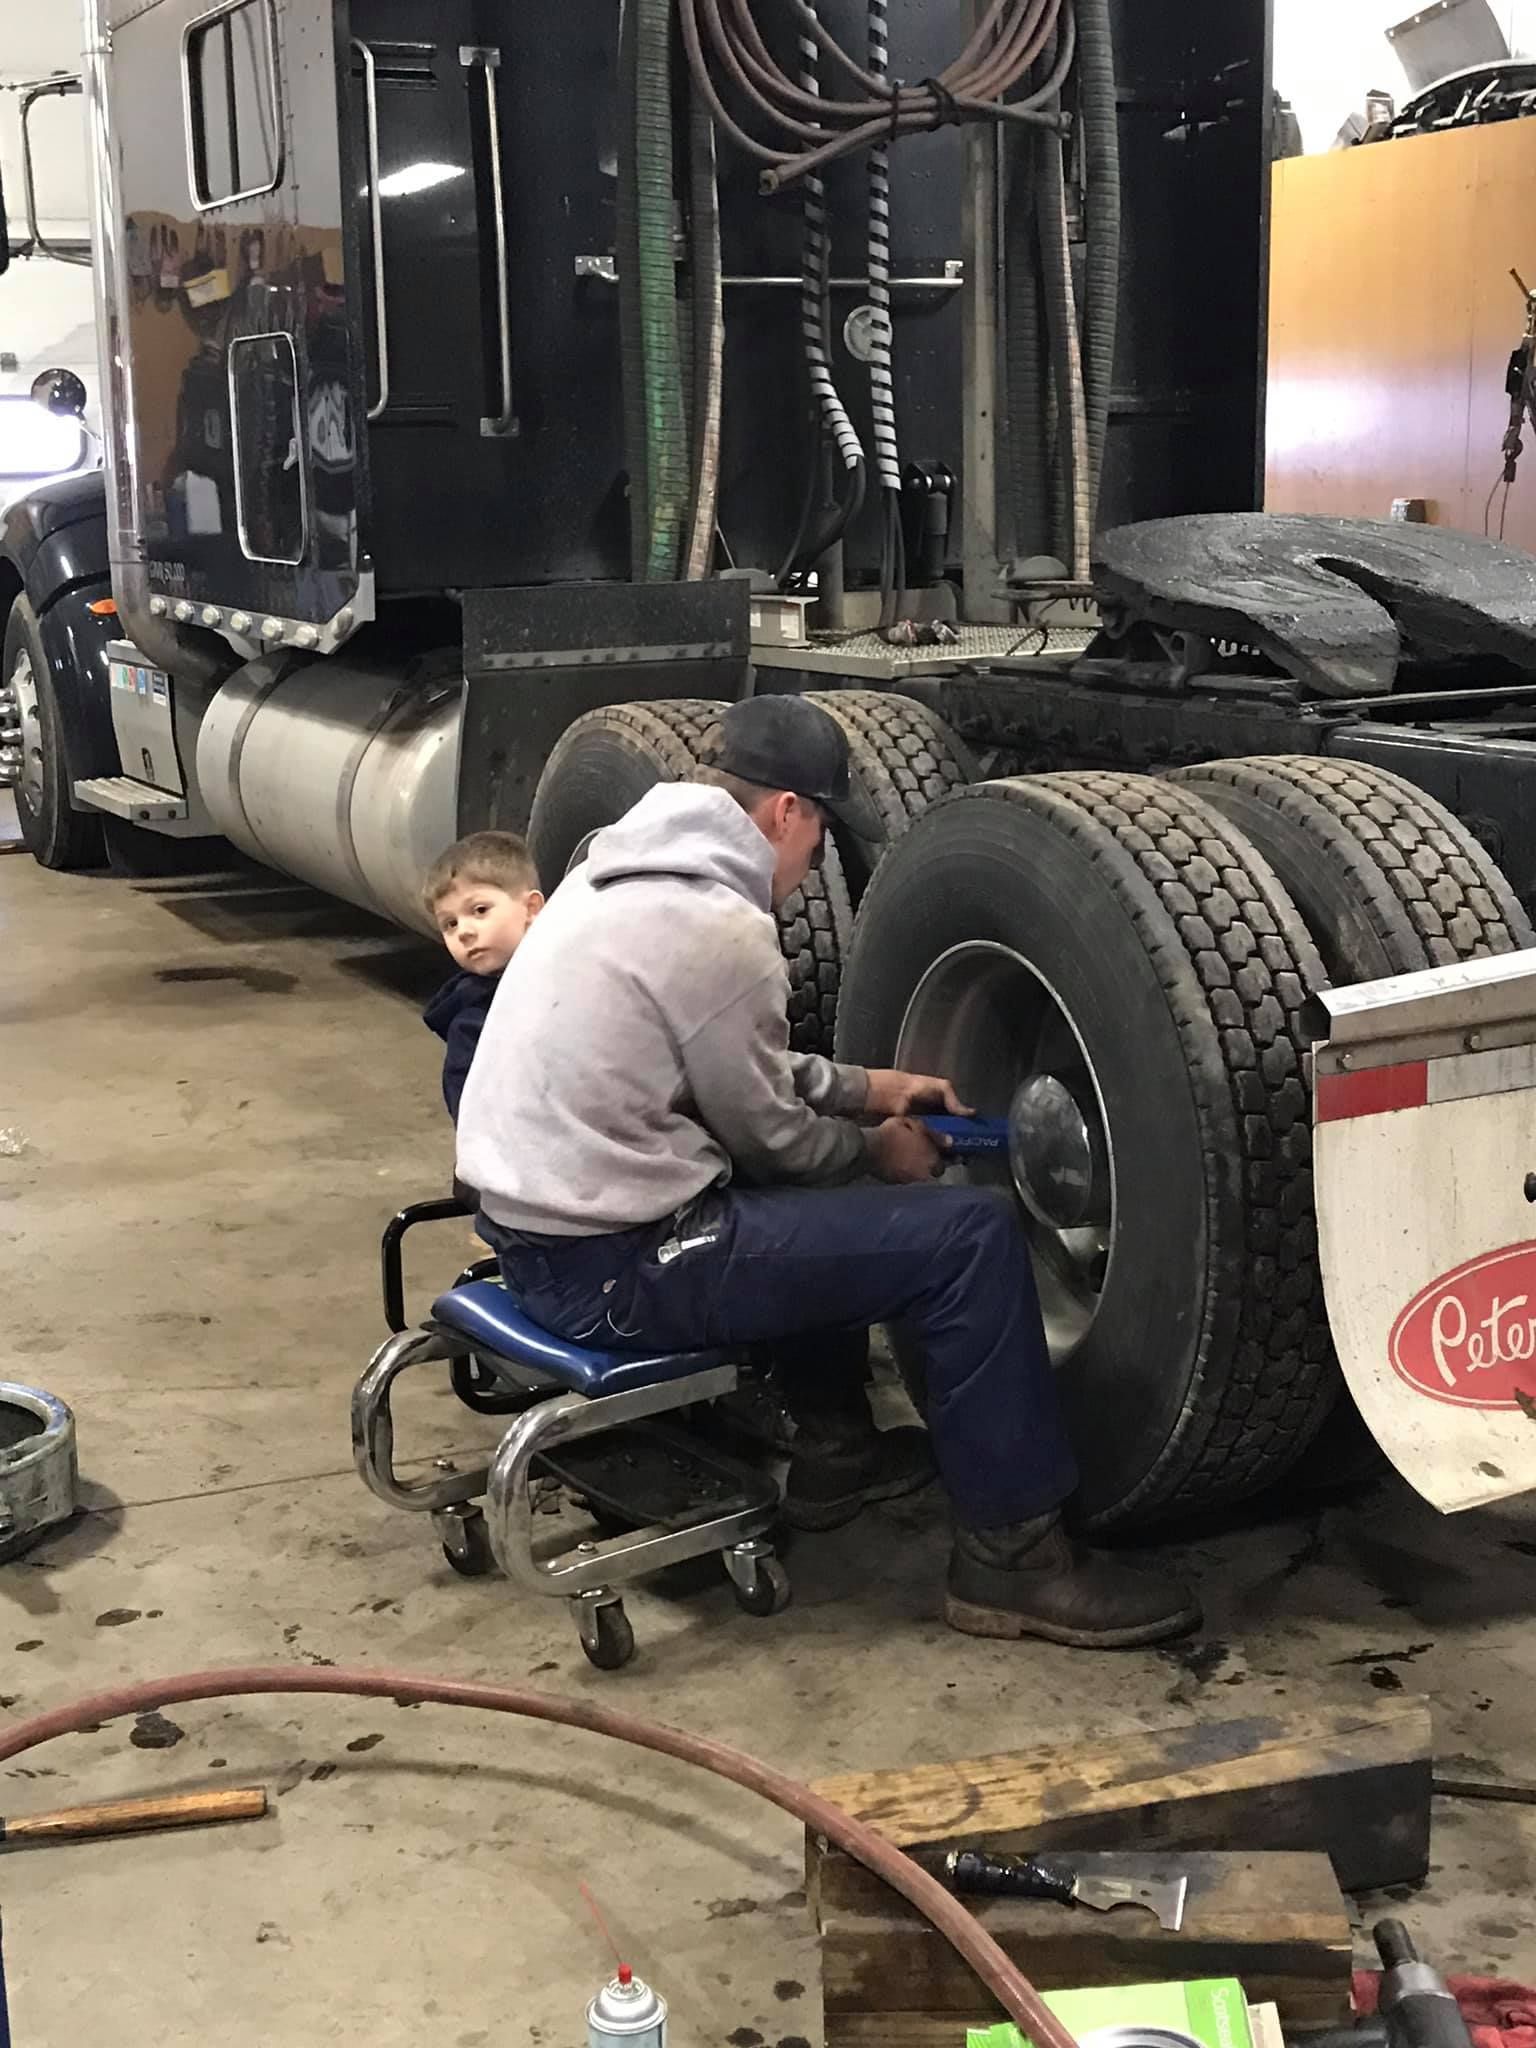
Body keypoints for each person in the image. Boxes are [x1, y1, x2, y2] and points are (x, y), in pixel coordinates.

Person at [456, 698, 1199, 1648]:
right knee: (962, 1241)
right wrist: (877, 1148)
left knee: (803, 1201)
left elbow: (727, 1063)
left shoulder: (616, 879)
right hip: (616, 1272)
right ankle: (1012, 1562)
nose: (813, 875)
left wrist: (868, 1087)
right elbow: (773, 1137)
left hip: (536, 1240)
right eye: (819, 843)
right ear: (788, 814)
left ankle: (834, 1450)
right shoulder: (719, 924)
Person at [422, 831, 544, 1122]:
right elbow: (471, 1122)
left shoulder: (572, 978)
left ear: (531, 908)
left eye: (479, 910)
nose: (463, 931)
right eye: (449, 924)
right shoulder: (471, 1023)